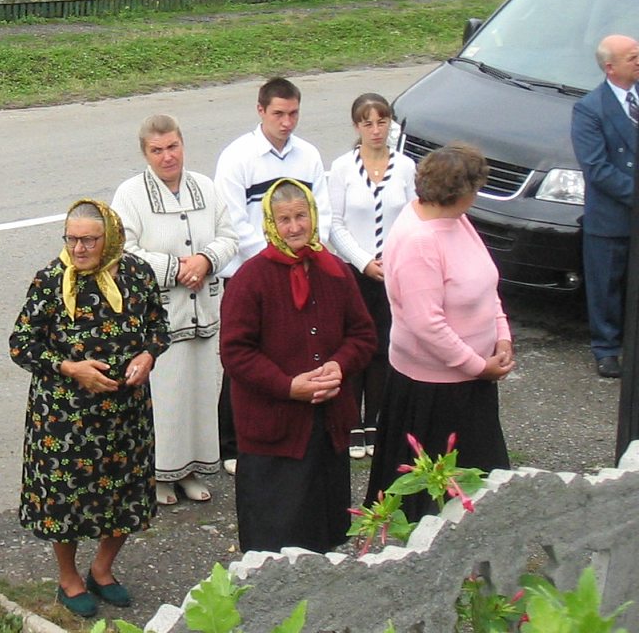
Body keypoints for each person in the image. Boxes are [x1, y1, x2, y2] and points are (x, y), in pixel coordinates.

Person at [10, 199, 169, 619]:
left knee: (123, 496)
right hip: (64, 417)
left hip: (125, 414)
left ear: (110, 238)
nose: (79, 249)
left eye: (89, 240)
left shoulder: (137, 274)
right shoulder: (50, 281)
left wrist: (148, 355)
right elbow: (21, 344)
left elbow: (158, 325)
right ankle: (68, 578)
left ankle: (102, 569)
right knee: (66, 501)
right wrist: (71, 368)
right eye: (72, 239)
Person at [220, 178, 375, 554]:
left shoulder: (334, 271)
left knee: (323, 529)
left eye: (301, 217)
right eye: (284, 219)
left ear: (313, 216)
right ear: (271, 223)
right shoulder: (250, 279)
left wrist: (340, 365)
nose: (294, 228)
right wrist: (289, 386)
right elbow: (236, 352)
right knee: (275, 536)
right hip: (273, 431)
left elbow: (363, 334)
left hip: (327, 425)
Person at [364, 143, 515, 522]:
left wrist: (502, 335)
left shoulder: (457, 219)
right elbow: (425, 324)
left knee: (480, 489)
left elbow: (485, 282)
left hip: (472, 379)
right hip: (434, 391)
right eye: (475, 189)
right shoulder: (419, 240)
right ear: (459, 192)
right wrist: (477, 366)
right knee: (432, 502)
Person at [111, 114, 237, 504]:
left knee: (199, 394)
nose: (168, 157)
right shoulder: (130, 195)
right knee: (167, 398)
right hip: (161, 318)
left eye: (173, 147)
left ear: (183, 144)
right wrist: (175, 269)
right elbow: (121, 251)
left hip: (204, 315)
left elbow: (229, 235)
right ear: (145, 153)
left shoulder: (206, 187)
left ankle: (193, 470)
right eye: (157, 150)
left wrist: (205, 260)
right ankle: (159, 475)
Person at [213, 76, 331, 474]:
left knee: (291, 349)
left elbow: (322, 213)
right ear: (260, 110)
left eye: (293, 113)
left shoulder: (309, 156)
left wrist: (308, 254)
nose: (287, 122)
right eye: (279, 113)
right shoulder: (237, 157)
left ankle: (288, 428)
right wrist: (270, 262)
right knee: (245, 357)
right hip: (252, 274)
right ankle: (231, 442)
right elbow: (233, 220)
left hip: (302, 267)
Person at [328, 93, 416, 457]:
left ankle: (377, 418)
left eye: (382, 122)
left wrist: (393, 259)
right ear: (357, 127)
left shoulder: (406, 166)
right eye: (368, 123)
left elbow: (412, 216)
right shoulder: (343, 168)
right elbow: (334, 223)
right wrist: (363, 260)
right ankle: (351, 421)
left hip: (394, 270)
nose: (376, 130)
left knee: (385, 343)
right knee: (355, 344)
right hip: (355, 270)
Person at [570, 34, 639, 378]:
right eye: (632, 57)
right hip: (612, 217)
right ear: (610, 67)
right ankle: (606, 348)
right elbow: (597, 168)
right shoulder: (590, 108)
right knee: (607, 285)